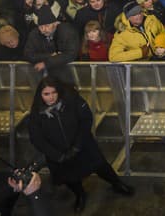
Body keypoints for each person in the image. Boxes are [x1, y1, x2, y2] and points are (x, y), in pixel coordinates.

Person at [27, 77, 133, 212]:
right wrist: (57, 155)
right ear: (40, 95)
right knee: (70, 177)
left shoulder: (72, 99)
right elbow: (36, 138)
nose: (51, 97)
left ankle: (117, 184)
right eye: (46, 94)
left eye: (54, 93)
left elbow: (86, 119)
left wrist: (77, 145)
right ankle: (80, 194)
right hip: (59, 153)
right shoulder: (37, 112)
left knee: (100, 166)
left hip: (82, 145)